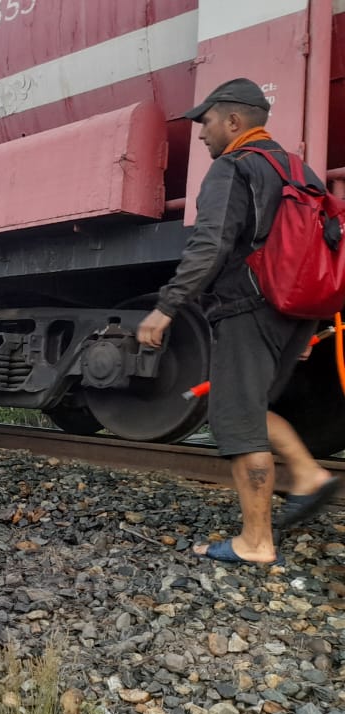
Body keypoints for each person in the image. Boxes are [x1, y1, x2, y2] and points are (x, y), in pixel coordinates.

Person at [136, 78, 340, 567]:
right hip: (294, 310)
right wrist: (310, 325)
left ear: (234, 121)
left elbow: (210, 245)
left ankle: (256, 543)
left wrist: (166, 307)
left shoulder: (233, 168)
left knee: (237, 422)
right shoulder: (299, 169)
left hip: (247, 308)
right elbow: (321, 243)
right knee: (247, 406)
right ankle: (310, 478)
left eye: (205, 122)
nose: (201, 133)